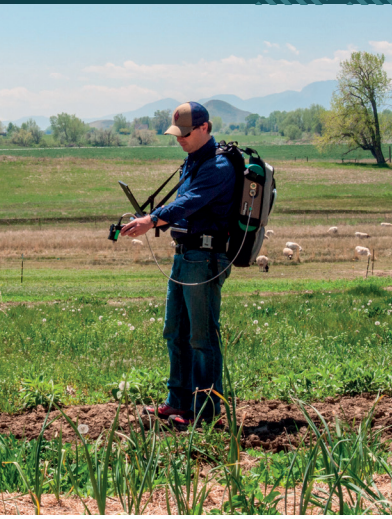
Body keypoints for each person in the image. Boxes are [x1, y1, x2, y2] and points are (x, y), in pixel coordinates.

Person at [120, 101, 235, 431]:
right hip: (184, 254)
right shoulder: (192, 161)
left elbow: (191, 201)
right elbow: (181, 204)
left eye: (185, 134)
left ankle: (205, 411)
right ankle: (178, 401)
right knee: (175, 331)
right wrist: (154, 219)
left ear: (205, 128)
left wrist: (153, 219)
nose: (180, 139)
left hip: (206, 257)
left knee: (201, 336)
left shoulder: (219, 166)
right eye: (176, 134)